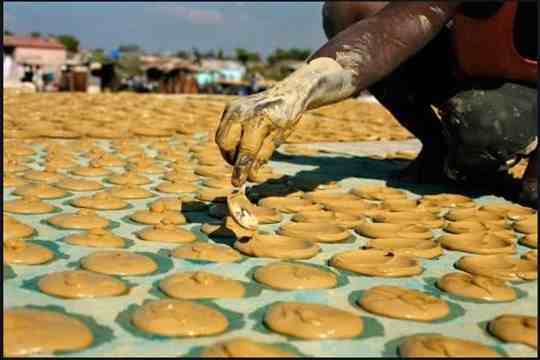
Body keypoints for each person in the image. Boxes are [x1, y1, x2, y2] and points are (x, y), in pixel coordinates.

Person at [215, 1, 537, 207]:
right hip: (466, 70)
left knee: (481, 125)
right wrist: (295, 91)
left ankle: (479, 159)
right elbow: (391, 31)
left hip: (525, 95)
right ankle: (438, 149)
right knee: (351, 7)